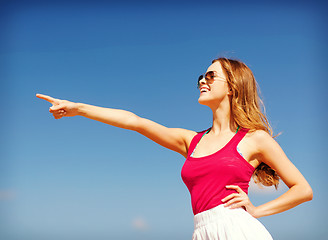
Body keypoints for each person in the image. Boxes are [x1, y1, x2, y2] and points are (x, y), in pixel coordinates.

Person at [36, 57, 313, 240]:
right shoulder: (190, 141)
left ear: (232, 87)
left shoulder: (254, 139)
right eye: (201, 77)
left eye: (210, 76)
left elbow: (303, 189)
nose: (202, 81)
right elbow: (136, 122)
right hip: (200, 230)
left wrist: (256, 210)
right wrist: (79, 109)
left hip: (237, 229)